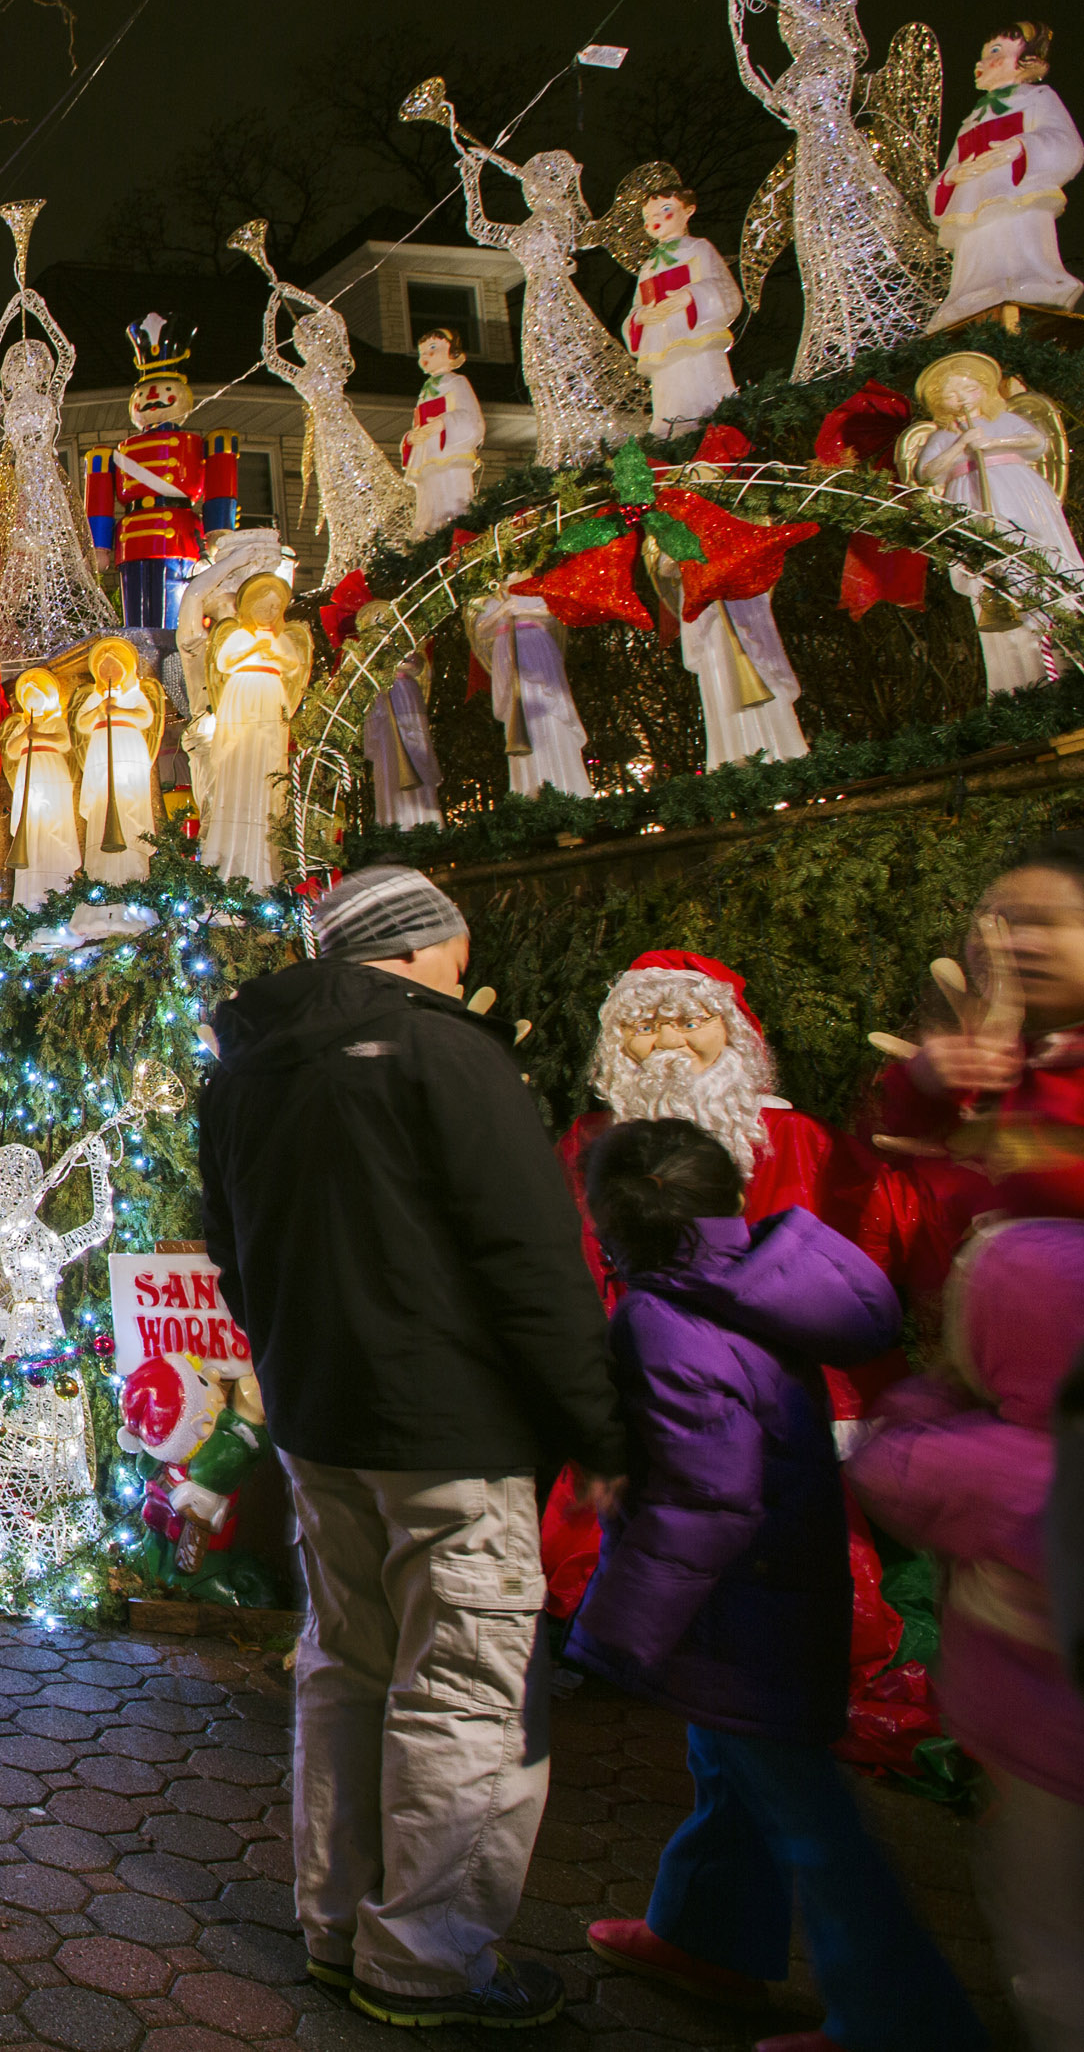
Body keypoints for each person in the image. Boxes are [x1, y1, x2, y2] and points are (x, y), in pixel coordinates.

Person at [197, 865, 624, 2030]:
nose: (462, 966)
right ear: (421, 945)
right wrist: (593, 1422)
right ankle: (426, 1955)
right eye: (454, 945)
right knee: (465, 1686)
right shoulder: (447, 1050)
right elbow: (530, 1255)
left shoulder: (242, 1069)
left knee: (347, 1662)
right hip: (452, 1424)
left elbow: (230, 1249)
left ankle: (335, 1924)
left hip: (317, 1417)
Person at [564, 1119, 983, 2052]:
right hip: (775, 1591)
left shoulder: (663, 1315)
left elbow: (706, 1495)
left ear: (612, 1223)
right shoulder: (752, 1280)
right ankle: (706, 1935)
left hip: (743, 1611)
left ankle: (900, 2020)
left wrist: (612, 1632)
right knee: (734, 1772)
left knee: (815, 1825)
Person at [850, 1192, 1084, 2052]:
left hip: (1041, 1763)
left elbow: (886, 1469)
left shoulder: (989, 1465)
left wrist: (937, 1392)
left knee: (1053, 1942)